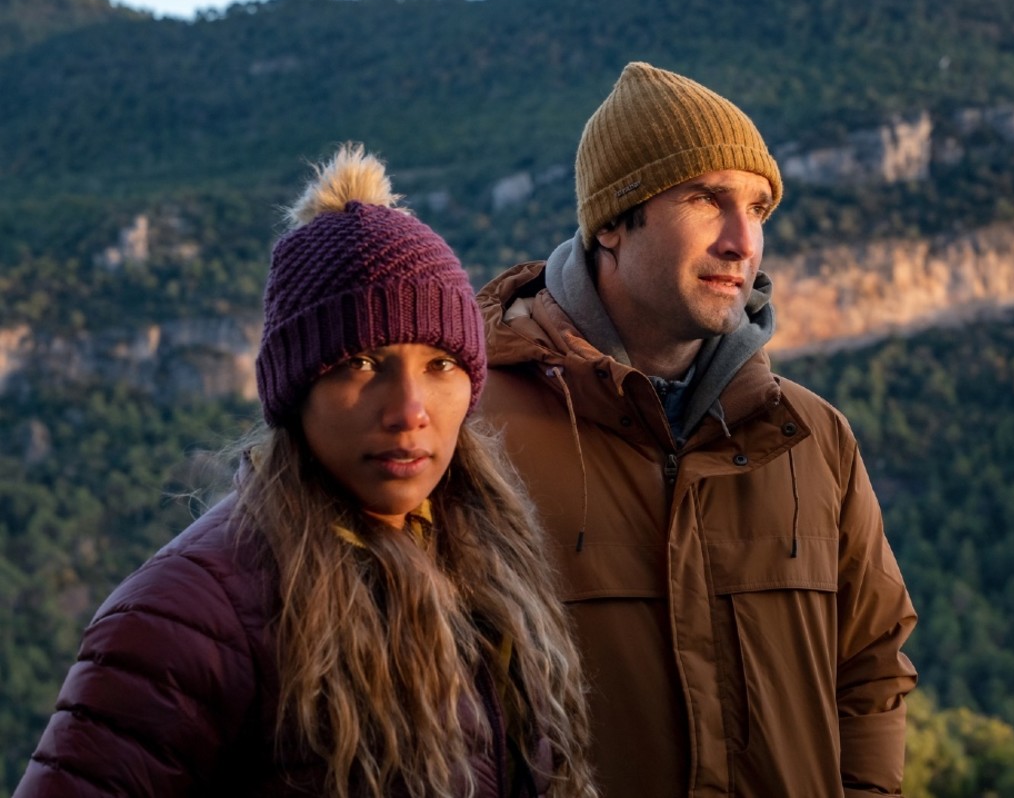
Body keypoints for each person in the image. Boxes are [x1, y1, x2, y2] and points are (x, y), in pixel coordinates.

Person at [15, 144, 598, 798]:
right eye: (363, 364)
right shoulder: (186, 618)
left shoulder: (489, 561)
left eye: (440, 365)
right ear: (296, 391)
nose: (410, 412)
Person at [478, 62, 918, 797]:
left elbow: (871, 668)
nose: (742, 241)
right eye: (707, 200)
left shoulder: (812, 438)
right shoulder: (475, 429)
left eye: (759, 209)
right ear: (613, 221)